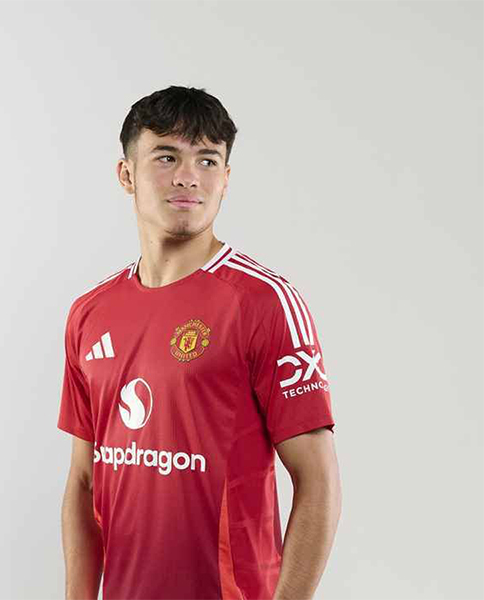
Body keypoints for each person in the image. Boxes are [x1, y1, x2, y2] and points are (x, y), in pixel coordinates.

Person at [57, 85, 341, 600]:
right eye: (166, 157)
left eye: (207, 160)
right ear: (126, 174)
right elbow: (84, 482)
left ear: (226, 179)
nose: (189, 176)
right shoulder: (89, 313)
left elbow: (318, 482)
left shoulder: (264, 302)